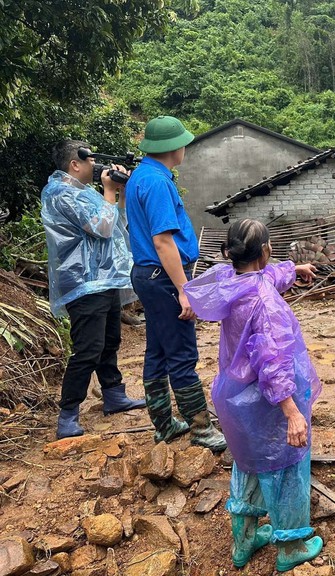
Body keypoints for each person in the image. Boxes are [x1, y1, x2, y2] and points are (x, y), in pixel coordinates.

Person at [184, 219, 323, 571]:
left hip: (235, 401)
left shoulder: (233, 282)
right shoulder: (265, 304)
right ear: (265, 251)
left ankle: (243, 542)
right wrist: (291, 411)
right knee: (285, 468)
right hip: (267, 404)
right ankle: (291, 547)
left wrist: (295, 269)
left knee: (247, 465)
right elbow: (273, 363)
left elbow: (269, 276)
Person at [124, 116, 225, 451]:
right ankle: (200, 429)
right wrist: (184, 289)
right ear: (172, 147)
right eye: (183, 142)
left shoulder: (141, 176)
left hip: (146, 275)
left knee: (157, 349)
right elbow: (163, 242)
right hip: (164, 276)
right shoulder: (157, 183)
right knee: (182, 353)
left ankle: (165, 425)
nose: (185, 147)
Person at [41, 139, 146, 439]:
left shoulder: (84, 193)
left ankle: (113, 395)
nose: (94, 165)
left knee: (110, 340)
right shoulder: (60, 194)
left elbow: (115, 225)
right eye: (89, 160)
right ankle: (68, 414)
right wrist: (110, 192)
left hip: (103, 279)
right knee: (87, 349)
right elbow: (100, 227)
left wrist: (119, 195)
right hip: (82, 282)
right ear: (75, 164)